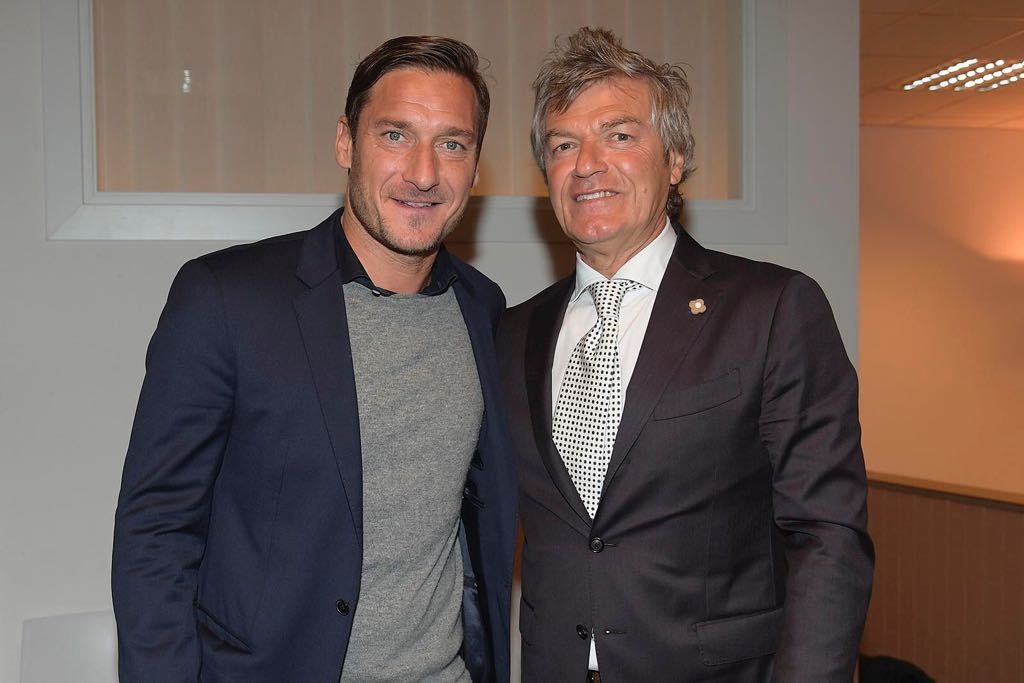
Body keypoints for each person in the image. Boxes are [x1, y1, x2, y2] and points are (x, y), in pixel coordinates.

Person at [112, 36, 516, 683]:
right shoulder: (226, 298)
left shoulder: (484, 310)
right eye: (395, 135)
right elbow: (156, 529)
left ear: (475, 167)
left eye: (452, 143)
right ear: (345, 143)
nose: (423, 173)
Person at [499, 27, 873, 682]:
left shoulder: (771, 310)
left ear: (674, 160)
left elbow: (827, 536)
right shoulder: (513, 333)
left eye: (619, 135)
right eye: (563, 145)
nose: (586, 163)